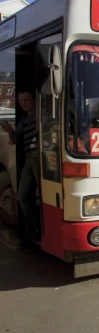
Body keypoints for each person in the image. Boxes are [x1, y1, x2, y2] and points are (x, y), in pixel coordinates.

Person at [1, 89, 40, 237]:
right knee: (21, 196)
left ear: (34, 100)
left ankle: (42, 228)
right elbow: (17, 140)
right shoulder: (23, 121)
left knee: (42, 195)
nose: (23, 103)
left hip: (39, 158)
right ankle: (34, 226)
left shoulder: (41, 117)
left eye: (26, 100)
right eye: (21, 101)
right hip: (29, 158)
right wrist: (10, 131)